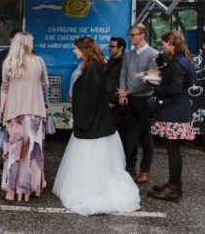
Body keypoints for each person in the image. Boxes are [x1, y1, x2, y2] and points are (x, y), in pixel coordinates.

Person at [52, 36, 140, 215]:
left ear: (84, 50)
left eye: (76, 48)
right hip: (99, 121)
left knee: (90, 158)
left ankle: (89, 188)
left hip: (92, 123)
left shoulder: (92, 68)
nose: (73, 51)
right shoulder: (95, 65)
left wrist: (83, 120)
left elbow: (90, 98)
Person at [0, 32, 48, 201]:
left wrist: (1, 113)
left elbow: (3, 89)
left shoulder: (8, 63)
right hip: (35, 113)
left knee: (14, 154)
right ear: (26, 44)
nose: (33, 45)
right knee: (32, 155)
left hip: (13, 114)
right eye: (31, 42)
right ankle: (28, 190)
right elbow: (45, 85)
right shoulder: (39, 61)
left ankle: (12, 190)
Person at [146, 31, 196, 202]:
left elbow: (174, 89)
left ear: (172, 44)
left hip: (173, 113)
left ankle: (173, 188)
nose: (163, 47)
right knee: (173, 151)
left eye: (164, 44)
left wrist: (154, 85)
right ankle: (174, 185)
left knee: (173, 152)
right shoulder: (184, 60)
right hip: (177, 111)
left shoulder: (177, 63)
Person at [118, 24, 159, 185]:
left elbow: (151, 81)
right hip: (129, 99)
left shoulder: (153, 55)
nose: (130, 37)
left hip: (144, 101)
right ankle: (130, 166)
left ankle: (145, 170)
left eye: (133, 35)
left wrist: (128, 92)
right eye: (129, 35)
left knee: (145, 137)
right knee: (129, 134)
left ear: (142, 35)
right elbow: (123, 73)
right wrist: (122, 92)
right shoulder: (128, 55)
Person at [105, 36, 134, 177]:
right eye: (109, 46)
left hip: (117, 104)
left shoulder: (124, 61)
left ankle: (124, 165)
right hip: (108, 101)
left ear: (120, 48)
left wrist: (113, 100)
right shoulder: (111, 60)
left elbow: (122, 83)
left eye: (112, 46)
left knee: (120, 136)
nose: (109, 48)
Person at [0, 30, 24, 109]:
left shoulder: (31, 55)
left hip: (24, 94)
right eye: (17, 39)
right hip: (7, 94)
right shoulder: (2, 55)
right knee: (7, 118)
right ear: (11, 40)